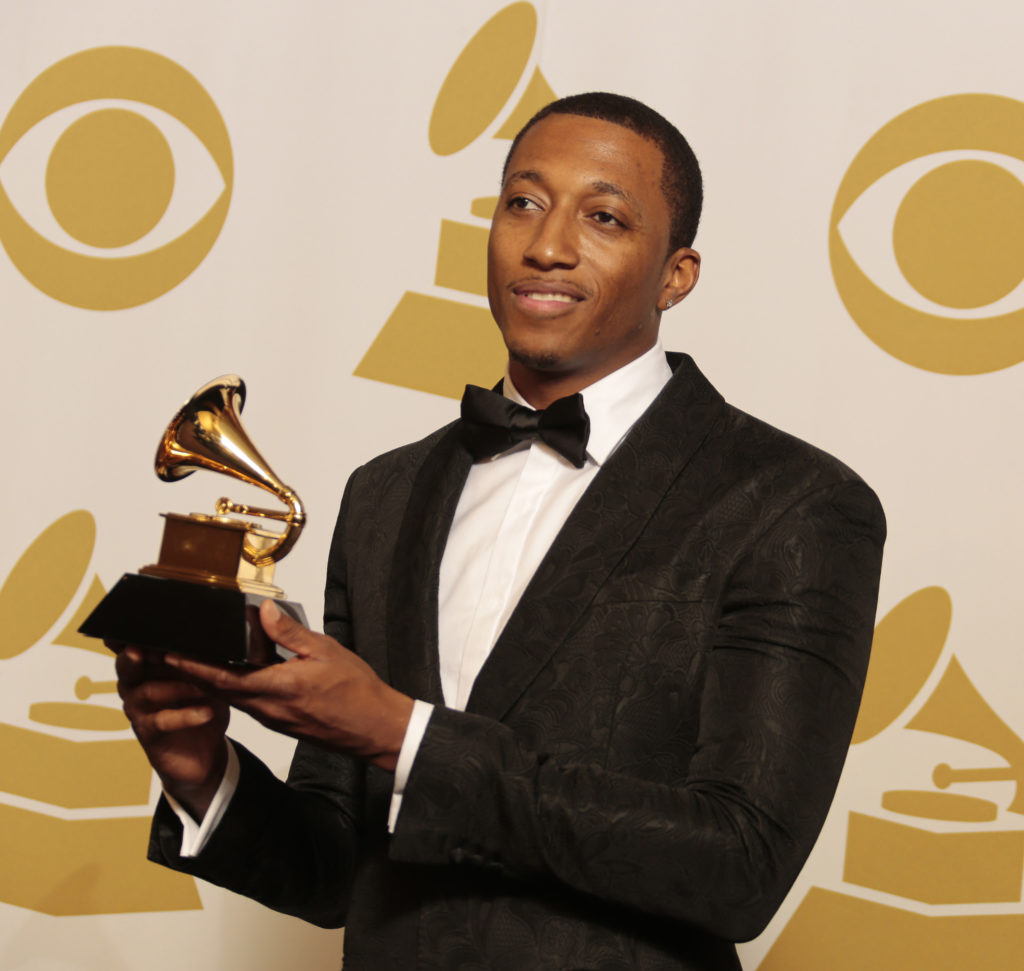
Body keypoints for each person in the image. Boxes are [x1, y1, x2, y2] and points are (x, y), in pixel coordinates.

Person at [118, 93, 885, 970]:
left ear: (677, 274)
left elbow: (740, 865)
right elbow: (336, 871)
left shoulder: (792, 502)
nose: (546, 244)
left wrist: (403, 734)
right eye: (523, 201)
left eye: (603, 216)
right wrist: (203, 774)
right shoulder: (385, 494)